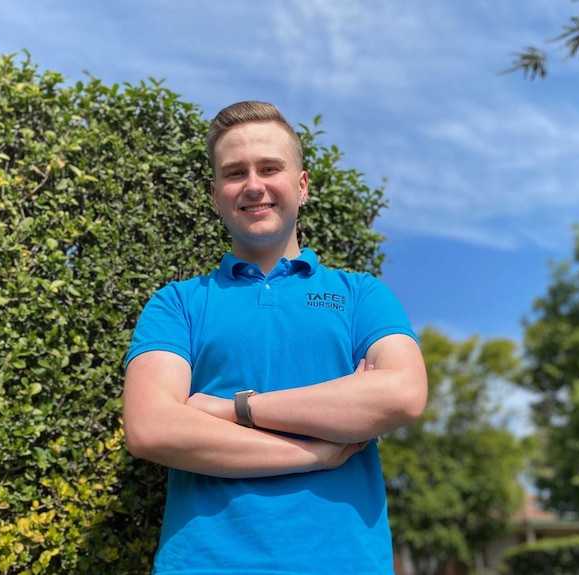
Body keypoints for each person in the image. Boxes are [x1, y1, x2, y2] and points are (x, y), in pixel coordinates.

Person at [123, 101, 428, 574]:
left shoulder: (360, 295)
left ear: (302, 185)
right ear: (214, 194)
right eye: (234, 172)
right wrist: (315, 454)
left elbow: (402, 394)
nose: (253, 185)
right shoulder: (177, 303)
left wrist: (231, 409)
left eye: (269, 167)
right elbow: (151, 427)